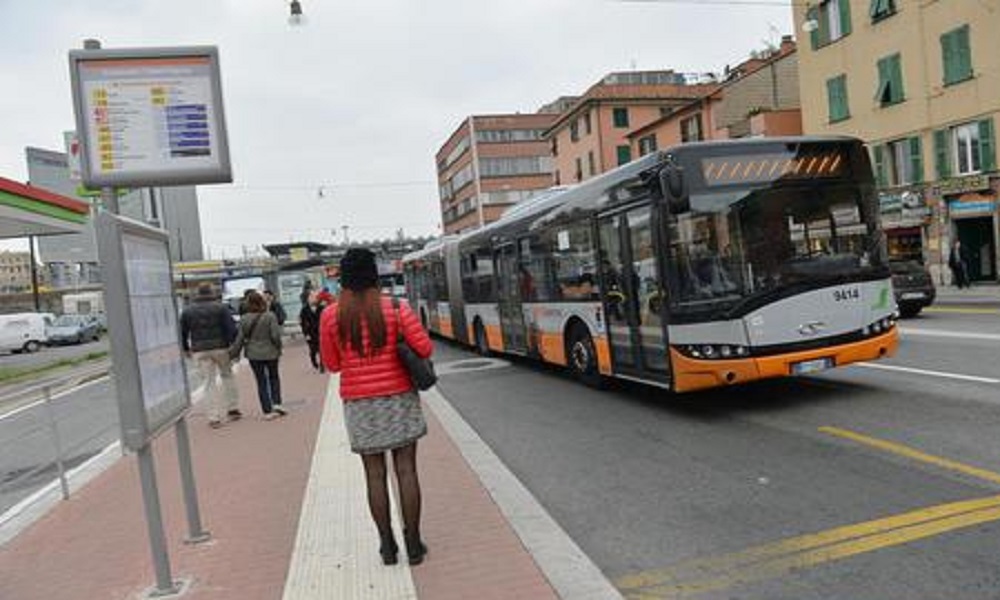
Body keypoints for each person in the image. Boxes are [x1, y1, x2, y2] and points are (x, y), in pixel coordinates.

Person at [319, 248, 433, 567]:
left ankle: (386, 546)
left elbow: (332, 365)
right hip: (399, 398)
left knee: (374, 474)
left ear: (343, 277)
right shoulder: (396, 307)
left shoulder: (331, 315)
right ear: (374, 274)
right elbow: (424, 347)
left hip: (359, 404)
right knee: (407, 470)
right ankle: (413, 545)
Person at [180, 283, 241, 429]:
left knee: (208, 383)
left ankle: (214, 417)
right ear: (211, 292)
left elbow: (182, 331)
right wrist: (232, 345)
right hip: (221, 348)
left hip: (200, 350)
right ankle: (232, 408)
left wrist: (185, 348)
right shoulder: (221, 307)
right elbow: (231, 328)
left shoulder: (188, 311)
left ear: (197, 293)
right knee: (227, 376)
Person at [232, 290, 287, 420]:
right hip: (271, 352)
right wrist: (279, 347)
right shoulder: (270, 316)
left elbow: (239, 338)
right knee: (274, 377)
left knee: (261, 381)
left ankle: (267, 410)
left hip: (253, 354)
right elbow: (275, 335)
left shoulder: (244, 319)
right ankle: (277, 403)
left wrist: (234, 354)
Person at [299, 291, 325, 372]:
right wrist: (305, 333)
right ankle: (314, 361)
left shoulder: (322, 308)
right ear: (308, 299)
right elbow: (302, 323)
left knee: (321, 350)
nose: (313, 299)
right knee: (313, 350)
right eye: (311, 297)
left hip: (320, 331)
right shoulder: (304, 310)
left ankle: (322, 365)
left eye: (315, 297)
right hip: (310, 332)